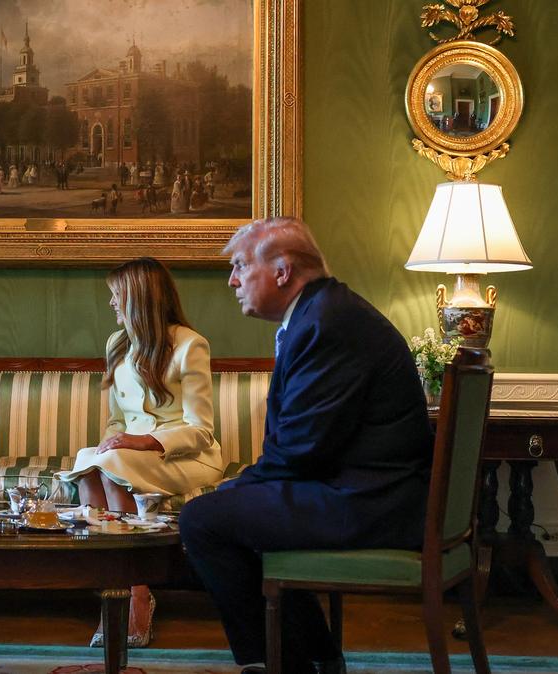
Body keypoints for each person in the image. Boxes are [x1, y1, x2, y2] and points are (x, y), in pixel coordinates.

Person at [178, 217, 433, 674]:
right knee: (236, 511)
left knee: (202, 520)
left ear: (281, 271)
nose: (232, 280)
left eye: (240, 266)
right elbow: (308, 442)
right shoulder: (326, 313)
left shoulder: (326, 323)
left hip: (370, 503)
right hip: (370, 491)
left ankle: (278, 665)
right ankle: (315, 657)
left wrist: (235, 489)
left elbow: (300, 448)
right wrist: (243, 489)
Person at [58, 257, 222, 650]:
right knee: (92, 462)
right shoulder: (117, 344)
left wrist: (142, 442)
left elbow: (201, 430)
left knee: (113, 464)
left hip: (184, 457)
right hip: (130, 456)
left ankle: (136, 595)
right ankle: (115, 591)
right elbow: (117, 421)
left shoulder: (189, 345)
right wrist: (110, 442)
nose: (112, 304)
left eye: (116, 296)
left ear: (139, 298)